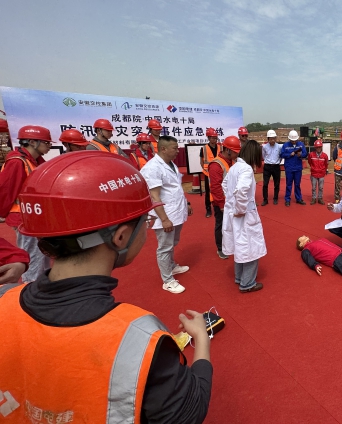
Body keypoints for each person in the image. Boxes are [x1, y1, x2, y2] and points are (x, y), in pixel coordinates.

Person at [0, 152, 212, 422]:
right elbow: (189, 412)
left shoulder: (4, 300)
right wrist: (202, 343)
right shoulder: (140, 339)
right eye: (144, 221)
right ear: (121, 236)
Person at [140, 136, 193, 294]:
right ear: (163, 149)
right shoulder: (153, 168)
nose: (178, 151)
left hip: (176, 210)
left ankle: (171, 266)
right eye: (174, 148)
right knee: (164, 247)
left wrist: (187, 203)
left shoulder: (171, 164)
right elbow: (154, 196)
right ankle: (168, 280)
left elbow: (175, 186)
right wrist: (164, 219)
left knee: (173, 242)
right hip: (165, 214)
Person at [0, 125, 52, 283]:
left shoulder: (35, 161)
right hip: (24, 218)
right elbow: (6, 190)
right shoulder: (17, 162)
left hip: (36, 217)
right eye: (46, 143)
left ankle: (41, 289)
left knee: (43, 256)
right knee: (33, 258)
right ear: (32, 142)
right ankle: (31, 291)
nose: (49, 146)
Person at [222, 140, 267, 293]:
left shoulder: (234, 168)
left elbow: (224, 185)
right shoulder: (246, 169)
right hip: (244, 214)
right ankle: (247, 283)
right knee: (251, 249)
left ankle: (239, 277)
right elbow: (241, 190)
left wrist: (231, 203)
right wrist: (240, 208)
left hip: (234, 213)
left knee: (240, 246)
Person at [209, 136, 240, 260]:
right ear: (228, 150)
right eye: (235, 152)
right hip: (220, 202)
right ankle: (221, 248)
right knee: (221, 224)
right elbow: (215, 187)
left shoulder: (232, 161)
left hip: (230, 200)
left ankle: (229, 245)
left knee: (231, 224)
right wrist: (221, 205)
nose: (237, 154)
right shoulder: (216, 165)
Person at [280, 130, 308, 206]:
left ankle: (298, 198)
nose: (294, 142)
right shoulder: (285, 145)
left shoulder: (301, 144)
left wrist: (300, 155)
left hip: (298, 168)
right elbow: (282, 154)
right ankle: (287, 199)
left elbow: (305, 153)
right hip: (289, 168)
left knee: (297, 184)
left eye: (295, 140)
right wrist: (289, 154)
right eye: (292, 141)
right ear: (289, 139)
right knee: (288, 184)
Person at [200, 128, 221, 217]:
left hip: (219, 173)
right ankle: (208, 209)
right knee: (208, 191)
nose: (214, 140)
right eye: (212, 138)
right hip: (208, 173)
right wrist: (206, 170)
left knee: (219, 190)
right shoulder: (204, 148)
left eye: (215, 138)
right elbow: (201, 161)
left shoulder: (220, 147)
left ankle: (219, 205)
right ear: (208, 138)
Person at [261, 129, 282, 205]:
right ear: (268, 139)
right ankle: (265, 199)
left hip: (276, 166)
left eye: (274, 138)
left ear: (276, 138)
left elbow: (280, 157)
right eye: (271, 139)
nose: (272, 140)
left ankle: (275, 198)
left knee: (276, 184)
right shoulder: (264, 147)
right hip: (267, 166)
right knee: (265, 184)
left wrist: (277, 162)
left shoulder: (279, 147)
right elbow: (263, 156)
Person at [309, 139, 329, 205]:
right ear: (315, 147)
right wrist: (313, 168)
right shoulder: (311, 155)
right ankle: (314, 198)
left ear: (321, 147)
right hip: (314, 174)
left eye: (319, 147)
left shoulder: (325, 156)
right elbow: (310, 162)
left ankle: (320, 198)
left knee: (321, 187)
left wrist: (324, 170)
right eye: (317, 147)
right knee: (313, 187)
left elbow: (326, 164)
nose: (318, 148)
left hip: (321, 174)